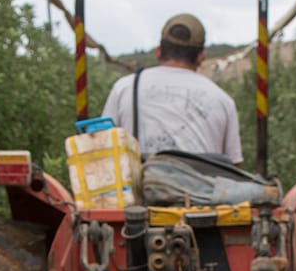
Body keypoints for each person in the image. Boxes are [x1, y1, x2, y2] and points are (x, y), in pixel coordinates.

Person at [102, 13, 243, 164]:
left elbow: (102, 147)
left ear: (158, 52)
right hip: (200, 186)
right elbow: (233, 166)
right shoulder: (222, 100)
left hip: (140, 186)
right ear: (200, 57)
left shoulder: (124, 88)